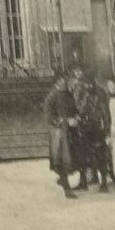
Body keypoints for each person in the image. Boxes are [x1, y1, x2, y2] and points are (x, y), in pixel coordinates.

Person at [42, 71, 78, 199]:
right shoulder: (51, 97)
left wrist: (76, 117)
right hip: (59, 134)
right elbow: (49, 118)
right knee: (62, 160)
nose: (66, 82)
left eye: (66, 80)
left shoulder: (68, 94)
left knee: (72, 159)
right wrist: (66, 121)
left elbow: (74, 109)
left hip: (70, 132)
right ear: (57, 82)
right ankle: (67, 188)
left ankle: (70, 181)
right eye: (63, 81)